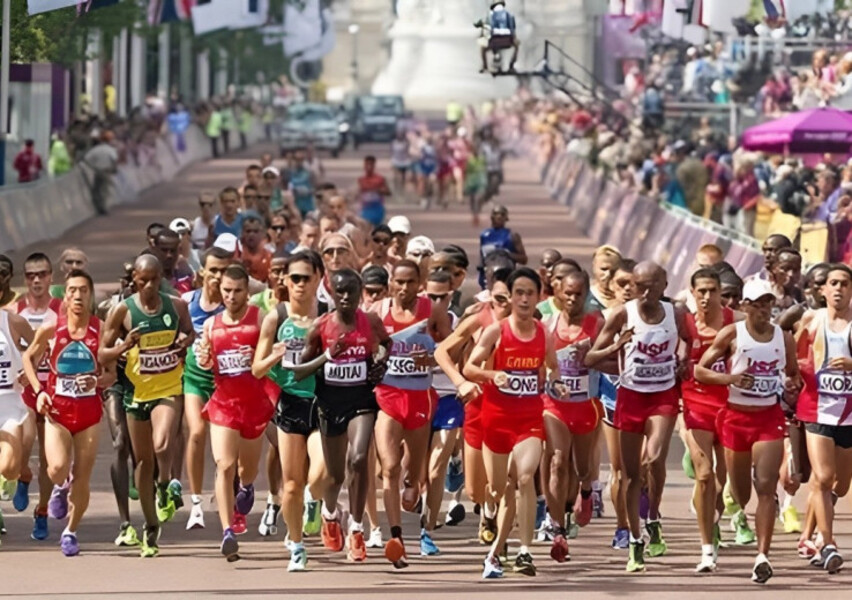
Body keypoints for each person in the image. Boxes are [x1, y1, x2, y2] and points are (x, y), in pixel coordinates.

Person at [695, 278, 801, 583]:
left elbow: (792, 373)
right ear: (745, 306)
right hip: (736, 419)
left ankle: (762, 556)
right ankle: (734, 503)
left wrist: (792, 384)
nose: (764, 309)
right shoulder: (732, 334)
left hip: (768, 418)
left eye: (768, 302)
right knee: (741, 494)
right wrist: (731, 379)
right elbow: (700, 370)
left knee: (766, 487)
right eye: (757, 304)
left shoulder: (784, 338)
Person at [464, 267, 567, 579]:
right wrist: (492, 374)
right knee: (499, 489)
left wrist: (556, 383)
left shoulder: (544, 334)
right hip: (496, 420)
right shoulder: (496, 332)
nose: (524, 299)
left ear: (538, 297)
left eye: (529, 293)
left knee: (524, 477)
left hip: (529, 419)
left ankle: (524, 551)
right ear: (510, 297)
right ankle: (492, 513)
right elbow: (469, 368)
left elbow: (553, 368)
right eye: (518, 293)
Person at [586, 261, 688, 573]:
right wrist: (617, 348)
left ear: (664, 285)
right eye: (639, 286)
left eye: (651, 285)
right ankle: (635, 540)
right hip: (630, 397)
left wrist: (683, 360)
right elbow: (591, 357)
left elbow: (688, 340)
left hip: (663, 396)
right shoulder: (622, 314)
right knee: (631, 477)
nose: (644, 292)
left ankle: (653, 515)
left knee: (653, 458)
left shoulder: (676, 313)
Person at [101, 254, 194, 557]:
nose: (150, 286)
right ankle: (150, 525)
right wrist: (125, 345)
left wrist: (184, 341)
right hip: (137, 393)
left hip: (168, 387)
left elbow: (190, 332)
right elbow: (102, 354)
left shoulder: (175, 305)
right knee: (142, 463)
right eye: (144, 281)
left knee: (162, 443)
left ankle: (165, 485)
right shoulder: (122, 311)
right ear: (135, 281)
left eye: (155, 279)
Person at [300, 269, 391, 564]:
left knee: (359, 458)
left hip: (361, 401)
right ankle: (329, 513)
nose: (346, 296)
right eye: (339, 291)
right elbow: (301, 367)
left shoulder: (371, 322)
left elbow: (387, 344)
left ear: (360, 292)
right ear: (331, 292)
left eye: (351, 290)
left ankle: (356, 529)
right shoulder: (321, 326)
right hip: (330, 404)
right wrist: (328, 355)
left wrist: (380, 364)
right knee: (335, 475)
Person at [252, 251, 329, 571]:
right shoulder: (276, 317)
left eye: (305, 278)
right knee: (292, 483)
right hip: (290, 403)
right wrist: (275, 355)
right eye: (294, 278)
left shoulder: (328, 315)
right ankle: (296, 545)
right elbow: (257, 368)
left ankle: (314, 499)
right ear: (285, 280)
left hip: (323, 402)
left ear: (318, 278)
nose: (299, 284)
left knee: (322, 471)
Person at [22, 270, 108, 556]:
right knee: (57, 468)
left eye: (83, 290)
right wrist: (39, 391)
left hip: (88, 414)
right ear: (65, 296)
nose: (78, 295)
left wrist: (96, 381)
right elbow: (28, 357)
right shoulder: (52, 328)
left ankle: (70, 531)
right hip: (57, 412)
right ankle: (61, 485)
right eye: (73, 290)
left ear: (90, 295)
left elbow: (111, 373)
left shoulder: (101, 329)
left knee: (83, 475)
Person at [373, 260, 450, 565]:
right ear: (391, 282)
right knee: (390, 467)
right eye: (399, 282)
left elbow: (453, 347)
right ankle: (396, 538)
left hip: (420, 399)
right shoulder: (377, 312)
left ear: (420, 284)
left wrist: (429, 360)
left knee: (414, 474)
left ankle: (412, 483)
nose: (404, 288)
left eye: (410, 282)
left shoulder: (433, 311)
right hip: (388, 397)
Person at [194, 264, 273, 560]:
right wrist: (204, 358)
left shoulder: (261, 319)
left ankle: (248, 486)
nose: (231, 296)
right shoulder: (211, 325)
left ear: (247, 291)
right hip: (224, 405)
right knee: (224, 465)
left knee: (245, 470)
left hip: (255, 405)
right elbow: (205, 359)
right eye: (226, 290)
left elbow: (268, 358)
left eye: (237, 290)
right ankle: (227, 532)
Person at [434, 274, 511, 545]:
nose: (505, 304)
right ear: (490, 296)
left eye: (511, 298)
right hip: (478, 406)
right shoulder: (479, 319)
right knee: (475, 490)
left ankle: (504, 541)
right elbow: (442, 352)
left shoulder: (530, 324)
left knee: (512, 476)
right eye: (499, 298)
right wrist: (461, 382)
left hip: (515, 409)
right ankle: (488, 505)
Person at [680, 268, 741, 573]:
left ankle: (712, 518)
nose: (706, 297)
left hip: (729, 406)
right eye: (701, 291)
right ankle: (706, 550)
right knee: (704, 475)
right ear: (692, 293)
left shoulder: (737, 321)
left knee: (724, 483)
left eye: (712, 291)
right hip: (694, 405)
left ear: (720, 293)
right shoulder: (684, 323)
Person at [542, 269, 604, 562]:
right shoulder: (547, 324)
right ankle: (557, 529)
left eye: (579, 294)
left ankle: (587, 490)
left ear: (586, 294)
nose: (572, 298)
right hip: (554, 405)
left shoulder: (596, 323)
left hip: (585, 405)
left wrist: (591, 355)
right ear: (558, 292)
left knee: (581, 469)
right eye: (568, 292)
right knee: (557, 462)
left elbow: (610, 359)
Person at [795, 263, 852, 574]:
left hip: (849, 415)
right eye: (834, 283)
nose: (839, 289)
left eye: (844, 283)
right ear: (823, 290)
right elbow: (792, 354)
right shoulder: (811, 320)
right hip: (817, 410)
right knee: (824, 477)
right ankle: (827, 543)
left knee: (839, 486)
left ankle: (809, 534)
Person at [13, 253, 63, 540]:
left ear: (50, 277)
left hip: (53, 392)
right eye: (31, 275)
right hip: (26, 391)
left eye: (42, 274)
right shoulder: (15, 311)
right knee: (25, 441)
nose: (36, 280)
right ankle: (23, 473)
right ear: (25, 279)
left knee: (48, 458)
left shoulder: (61, 310)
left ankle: (42, 511)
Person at [181, 247, 229, 531]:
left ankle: (227, 492)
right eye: (213, 271)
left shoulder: (233, 306)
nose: (218, 277)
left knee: (225, 451)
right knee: (197, 433)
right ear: (202, 273)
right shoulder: (187, 302)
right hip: (194, 379)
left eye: (224, 271)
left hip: (224, 384)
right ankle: (196, 503)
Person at [478, 205, 527, 288]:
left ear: (506, 218)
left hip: (506, 274)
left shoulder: (512, 236)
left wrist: (507, 254)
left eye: (502, 214)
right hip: (488, 274)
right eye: (496, 214)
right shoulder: (484, 235)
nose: (499, 216)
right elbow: (482, 255)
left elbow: (524, 259)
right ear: (491, 217)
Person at [475, 1, 519, 73]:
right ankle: (511, 66)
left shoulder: (490, 15)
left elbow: (487, 30)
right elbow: (512, 29)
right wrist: (513, 38)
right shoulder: (509, 15)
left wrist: (482, 36)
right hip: (507, 41)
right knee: (516, 46)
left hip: (493, 41)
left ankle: (485, 66)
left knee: (483, 48)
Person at [83, 131, 119, 215]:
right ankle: (104, 207)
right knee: (104, 189)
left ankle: (99, 206)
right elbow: (114, 160)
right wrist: (114, 169)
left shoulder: (95, 149)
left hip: (98, 171)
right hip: (107, 170)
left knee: (97, 189)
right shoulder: (110, 149)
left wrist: (93, 166)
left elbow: (86, 159)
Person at [358, 156, 391, 226]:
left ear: (374, 165)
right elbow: (357, 194)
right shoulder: (361, 180)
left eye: (371, 164)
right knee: (365, 228)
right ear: (364, 165)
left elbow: (388, 192)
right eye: (367, 164)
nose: (369, 167)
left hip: (377, 209)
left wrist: (379, 190)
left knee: (375, 228)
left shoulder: (380, 179)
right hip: (365, 209)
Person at [240, 212, 273, 283]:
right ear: (242, 233)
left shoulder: (269, 256)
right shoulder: (238, 254)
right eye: (248, 231)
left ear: (263, 234)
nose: (251, 234)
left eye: (256, 231)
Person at [289, 151, 318, 218]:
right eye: (297, 159)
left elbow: (315, 187)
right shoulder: (291, 173)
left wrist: (307, 191)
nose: (299, 162)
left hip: (307, 205)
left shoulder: (309, 172)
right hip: (295, 204)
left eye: (301, 159)